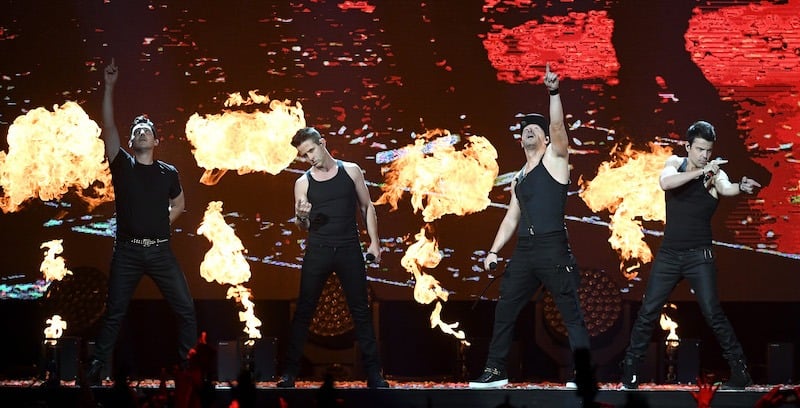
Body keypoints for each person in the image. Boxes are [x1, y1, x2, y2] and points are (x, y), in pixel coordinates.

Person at [469, 63, 591, 389]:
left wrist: (553, 92)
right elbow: (511, 217)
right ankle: (495, 370)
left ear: (547, 138)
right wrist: (494, 251)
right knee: (506, 307)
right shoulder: (519, 178)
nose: (529, 130)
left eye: (535, 128)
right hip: (525, 250)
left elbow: (558, 124)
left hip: (553, 247)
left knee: (570, 312)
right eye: (525, 128)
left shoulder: (556, 159)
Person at [620, 120, 761, 390]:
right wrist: (698, 173)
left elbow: (727, 187)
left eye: (708, 151)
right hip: (670, 254)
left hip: (700, 256)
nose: (705, 156)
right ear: (688, 147)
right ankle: (630, 370)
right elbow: (666, 182)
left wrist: (741, 188)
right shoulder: (675, 163)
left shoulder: (714, 174)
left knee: (712, 312)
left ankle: (740, 370)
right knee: (649, 309)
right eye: (699, 150)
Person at [86, 59, 198, 383]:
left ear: (155, 140)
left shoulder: (168, 173)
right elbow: (108, 127)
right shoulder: (122, 166)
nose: (141, 133)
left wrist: (163, 224)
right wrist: (109, 87)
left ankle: (187, 370)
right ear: (132, 143)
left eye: (146, 130)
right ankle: (95, 371)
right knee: (114, 314)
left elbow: (179, 203)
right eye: (136, 132)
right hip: (128, 253)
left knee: (186, 309)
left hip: (161, 252)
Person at [277, 126, 388, 388]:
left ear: (323, 143)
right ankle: (289, 373)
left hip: (349, 249)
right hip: (319, 251)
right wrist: (302, 216)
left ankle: (374, 374)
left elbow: (366, 206)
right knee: (304, 310)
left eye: (311, 151)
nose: (310, 158)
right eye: (304, 155)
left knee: (361, 311)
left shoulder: (351, 171)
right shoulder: (302, 182)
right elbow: (302, 225)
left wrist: (375, 242)